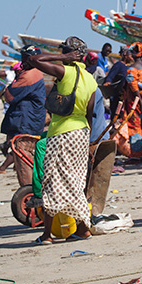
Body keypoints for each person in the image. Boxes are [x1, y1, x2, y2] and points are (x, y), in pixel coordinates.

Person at [31, 37, 98, 242]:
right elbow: (89, 112)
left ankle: (47, 235)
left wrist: (61, 57)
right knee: (75, 181)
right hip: (81, 133)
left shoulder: (66, 72)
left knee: (52, 180)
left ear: (70, 53)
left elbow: (35, 60)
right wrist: (88, 140)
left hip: (61, 133)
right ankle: (82, 228)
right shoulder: (90, 78)